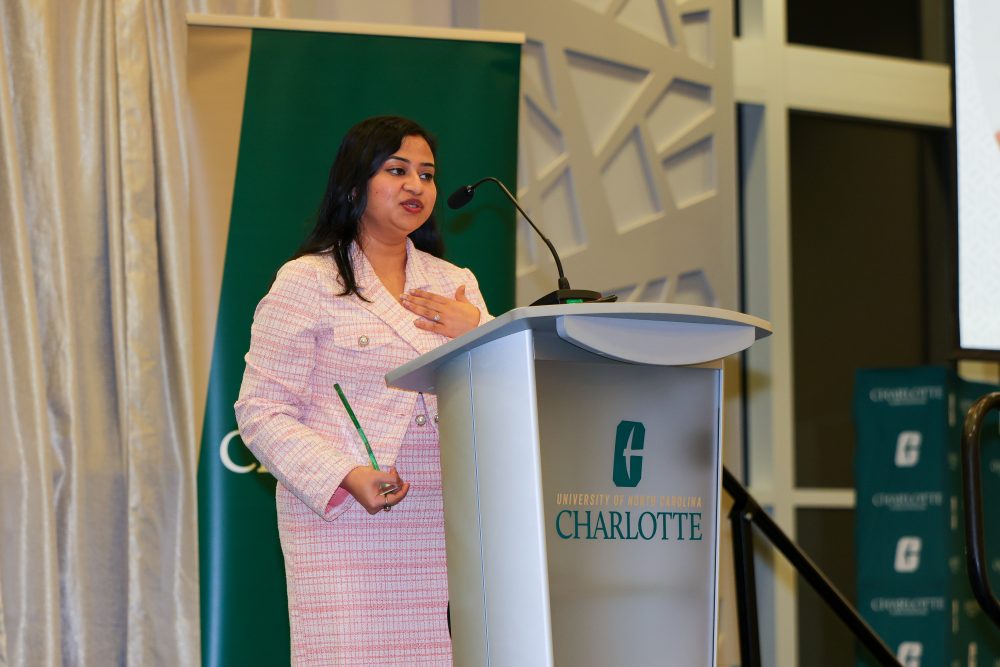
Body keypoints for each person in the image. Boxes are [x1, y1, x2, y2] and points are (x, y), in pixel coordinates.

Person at [234, 115, 491, 665]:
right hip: (349, 521)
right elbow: (260, 411)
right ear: (354, 186)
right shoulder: (306, 281)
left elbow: (495, 398)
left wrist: (478, 334)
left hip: (444, 523)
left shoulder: (457, 284)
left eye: (426, 174)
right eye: (396, 170)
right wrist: (346, 476)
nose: (416, 186)